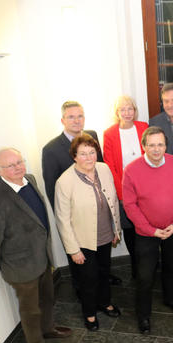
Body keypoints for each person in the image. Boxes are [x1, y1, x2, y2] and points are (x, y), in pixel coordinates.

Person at [0, 148, 72, 343]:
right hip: (20, 267)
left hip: (42, 257)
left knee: (47, 297)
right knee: (30, 309)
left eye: (19, 161)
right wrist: (10, 262)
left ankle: (48, 329)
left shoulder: (30, 179)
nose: (18, 167)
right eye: (11, 165)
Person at [42, 100, 121, 288]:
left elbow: (99, 170)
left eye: (80, 116)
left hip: (98, 213)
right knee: (81, 264)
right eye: (71, 117)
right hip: (75, 217)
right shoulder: (51, 149)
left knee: (101, 258)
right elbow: (52, 189)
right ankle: (81, 291)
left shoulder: (91, 136)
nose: (76, 120)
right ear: (63, 120)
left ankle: (103, 282)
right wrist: (65, 224)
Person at [54, 134, 122, 331]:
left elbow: (113, 201)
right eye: (83, 154)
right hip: (83, 241)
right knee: (88, 278)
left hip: (105, 235)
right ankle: (89, 313)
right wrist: (73, 250)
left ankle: (105, 302)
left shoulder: (104, 169)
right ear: (74, 156)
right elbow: (62, 220)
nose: (89, 157)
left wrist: (115, 229)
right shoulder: (64, 182)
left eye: (92, 152)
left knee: (104, 272)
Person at [122, 127, 173, 334]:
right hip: (146, 233)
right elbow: (130, 206)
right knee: (145, 276)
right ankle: (144, 315)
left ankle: (170, 299)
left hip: (172, 229)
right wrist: (151, 230)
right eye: (151, 145)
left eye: (160, 144)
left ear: (165, 146)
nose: (156, 149)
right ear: (143, 147)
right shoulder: (131, 169)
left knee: (172, 268)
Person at [103, 95, 149, 278]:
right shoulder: (110, 134)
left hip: (146, 189)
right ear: (117, 113)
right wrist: (123, 194)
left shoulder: (144, 127)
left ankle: (149, 266)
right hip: (124, 191)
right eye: (123, 109)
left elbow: (151, 156)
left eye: (130, 108)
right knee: (130, 230)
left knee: (145, 230)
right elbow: (110, 166)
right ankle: (137, 269)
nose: (127, 113)